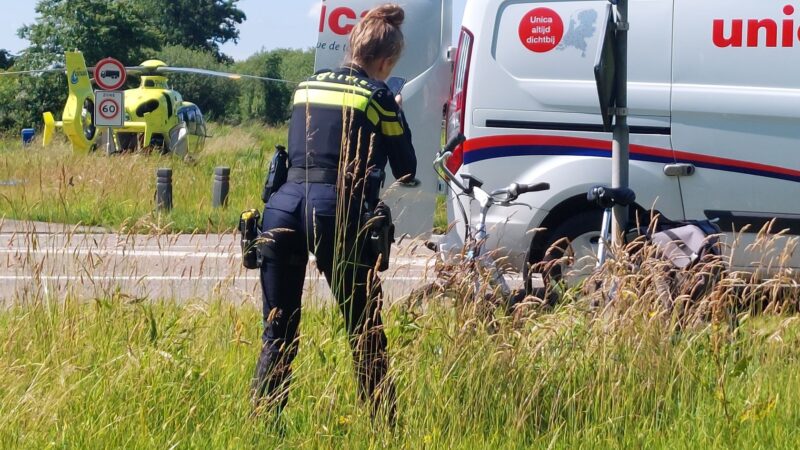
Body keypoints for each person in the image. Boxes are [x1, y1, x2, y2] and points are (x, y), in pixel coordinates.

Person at [251, 4, 416, 423]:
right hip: (335, 211)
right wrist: (395, 108)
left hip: (283, 206)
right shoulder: (377, 95)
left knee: (278, 330)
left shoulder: (306, 86)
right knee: (365, 330)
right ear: (384, 61)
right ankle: (384, 425)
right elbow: (408, 167)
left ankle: (263, 423)